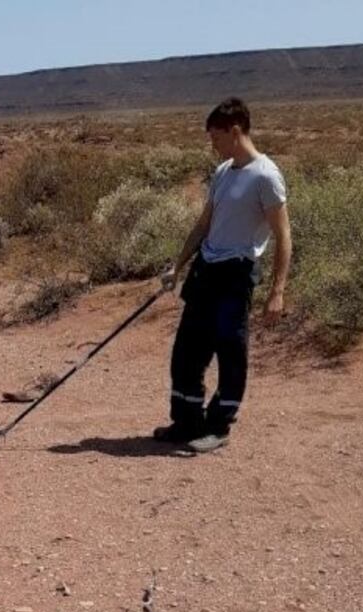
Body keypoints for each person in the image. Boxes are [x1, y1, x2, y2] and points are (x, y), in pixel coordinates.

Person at [157, 97, 292, 452]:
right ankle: (186, 422)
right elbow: (204, 224)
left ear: (235, 131)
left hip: (236, 273)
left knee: (231, 351)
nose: (212, 145)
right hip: (206, 271)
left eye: (215, 137)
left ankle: (218, 427)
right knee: (187, 351)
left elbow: (283, 237)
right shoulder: (222, 172)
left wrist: (277, 291)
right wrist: (178, 265)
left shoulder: (266, 175)